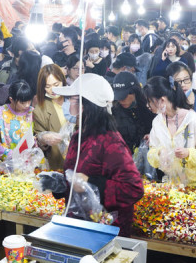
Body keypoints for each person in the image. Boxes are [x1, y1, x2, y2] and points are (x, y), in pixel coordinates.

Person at [52, 73, 144, 236]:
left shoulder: (111, 142)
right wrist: (59, 184)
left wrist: (91, 184)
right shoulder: (78, 135)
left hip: (105, 230)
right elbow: (76, 176)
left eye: (72, 100)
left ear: (85, 105)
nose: (68, 105)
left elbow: (133, 188)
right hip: (79, 224)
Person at [144, 76, 196, 188]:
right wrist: (159, 153)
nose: (147, 105)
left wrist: (188, 153)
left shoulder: (192, 119)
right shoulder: (157, 122)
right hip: (170, 182)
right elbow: (152, 153)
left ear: (162, 100)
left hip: (192, 183)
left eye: (149, 101)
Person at [111, 71, 156, 155]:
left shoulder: (150, 108)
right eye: (118, 96)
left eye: (124, 96)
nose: (121, 100)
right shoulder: (114, 113)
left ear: (135, 92)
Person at [0, 80, 34, 160]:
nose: (27, 105)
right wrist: (12, 155)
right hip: (7, 162)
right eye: (22, 103)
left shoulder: (32, 112)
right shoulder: (0, 112)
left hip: (30, 161)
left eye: (29, 101)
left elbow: (37, 138)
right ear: (11, 99)